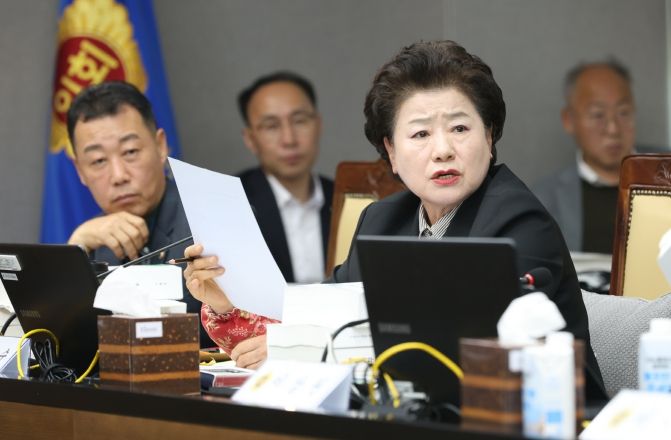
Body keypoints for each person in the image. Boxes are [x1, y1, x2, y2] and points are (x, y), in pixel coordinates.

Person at [183, 41, 606, 401]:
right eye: (420, 134)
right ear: (391, 152)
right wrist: (228, 302)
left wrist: (305, 350)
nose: (443, 149)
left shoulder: (518, 222)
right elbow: (322, 314)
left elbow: (462, 348)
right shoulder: (382, 220)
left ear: (490, 136)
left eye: (460, 129)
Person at [65, 81, 213, 347]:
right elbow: (64, 340)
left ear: (161, 146)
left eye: (130, 152)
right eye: (98, 161)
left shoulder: (211, 221)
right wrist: (77, 246)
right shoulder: (93, 241)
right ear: (79, 170)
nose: (119, 175)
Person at [237, 71, 333, 284]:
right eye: (271, 126)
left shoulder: (346, 200)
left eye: (299, 121)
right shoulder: (233, 203)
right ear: (250, 139)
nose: (289, 140)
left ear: (318, 125)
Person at [533, 60, 636, 253]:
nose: (613, 129)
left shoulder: (665, 172)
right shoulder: (544, 198)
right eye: (598, 115)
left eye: (623, 112)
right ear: (569, 120)